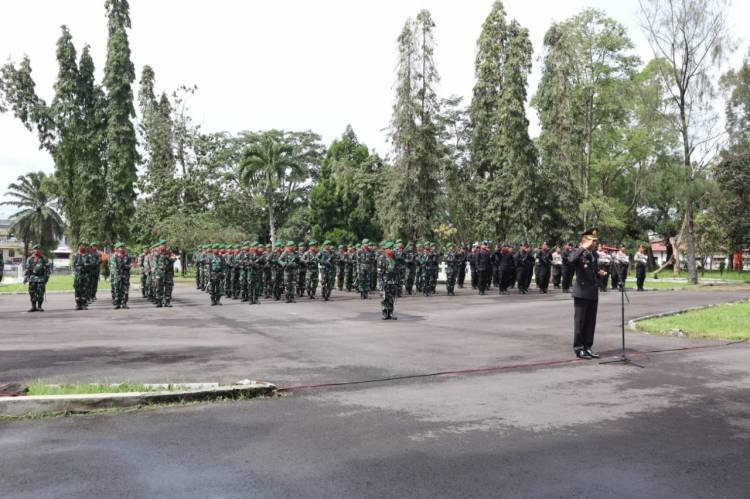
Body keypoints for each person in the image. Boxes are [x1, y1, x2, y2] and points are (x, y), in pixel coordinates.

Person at [570, 227, 606, 360]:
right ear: (585, 240)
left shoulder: (593, 255)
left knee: (591, 322)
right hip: (581, 292)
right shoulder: (578, 252)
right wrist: (582, 247)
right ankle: (579, 348)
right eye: (592, 241)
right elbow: (571, 261)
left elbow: (592, 271)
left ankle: (587, 347)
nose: (594, 243)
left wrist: (599, 274)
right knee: (580, 322)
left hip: (592, 291)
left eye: (595, 241)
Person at [24, 243, 50, 312]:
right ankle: (33, 307)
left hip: (41, 278)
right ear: (33, 250)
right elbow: (27, 269)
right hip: (32, 279)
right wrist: (26, 277)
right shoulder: (30, 259)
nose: (37, 250)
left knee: (40, 293)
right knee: (32, 293)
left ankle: (39, 306)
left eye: (38, 249)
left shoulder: (44, 258)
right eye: (35, 249)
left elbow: (48, 269)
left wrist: (46, 278)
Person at [379, 241, 399, 320]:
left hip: (393, 280)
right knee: (384, 297)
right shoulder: (382, 258)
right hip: (384, 280)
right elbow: (379, 271)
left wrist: (397, 280)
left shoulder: (394, 257)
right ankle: (384, 313)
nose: (393, 250)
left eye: (393, 248)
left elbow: (397, 269)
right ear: (387, 249)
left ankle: (390, 313)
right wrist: (381, 281)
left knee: (391, 297)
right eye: (391, 248)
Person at [111, 242, 132, 309]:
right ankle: (118, 303)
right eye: (120, 247)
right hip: (117, 275)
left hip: (125, 275)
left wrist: (124, 266)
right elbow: (114, 266)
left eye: (123, 247)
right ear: (117, 249)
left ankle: (124, 303)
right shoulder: (114, 256)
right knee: (117, 289)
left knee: (125, 289)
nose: (122, 249)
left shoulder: (127, 256)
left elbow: (129, 266)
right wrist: (119, 269)